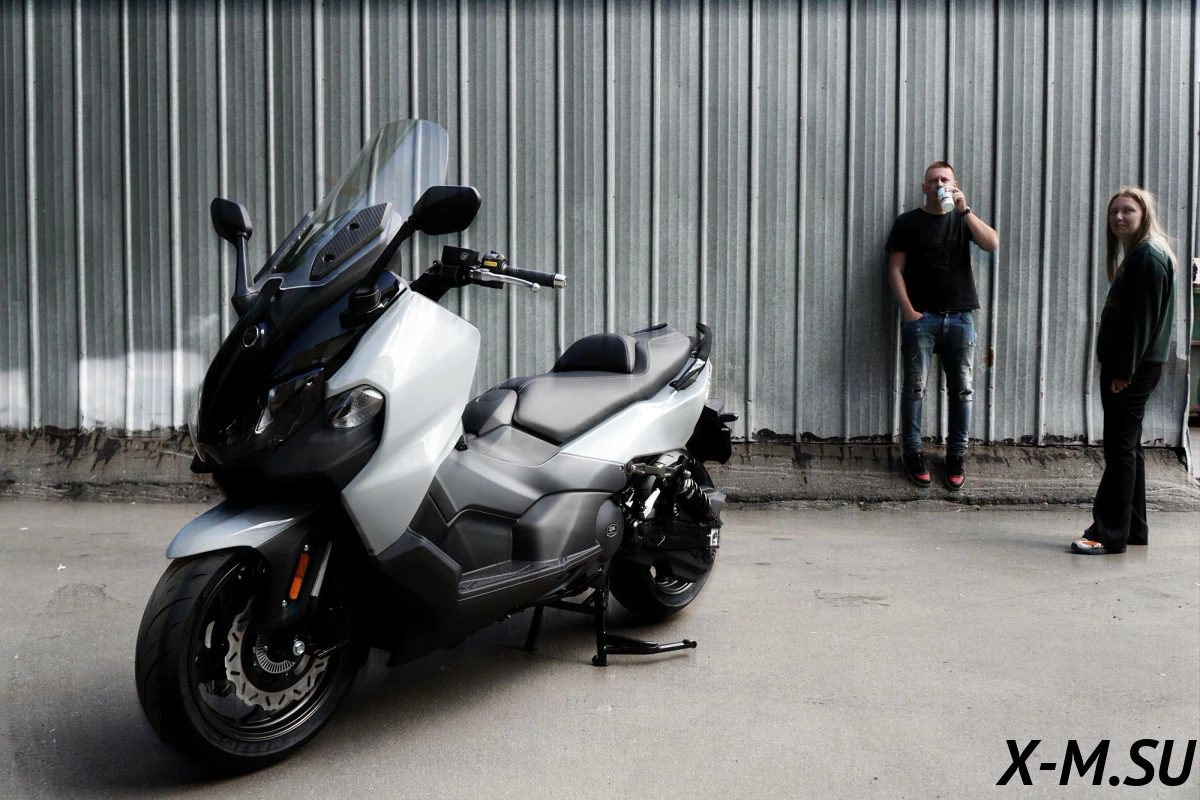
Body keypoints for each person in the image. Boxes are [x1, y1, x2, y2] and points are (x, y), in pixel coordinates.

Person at [1072, 188, 1177, 555]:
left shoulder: (1148, 256)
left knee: (1119, 450)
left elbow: (1140, 323)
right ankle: (1133, 528)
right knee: (1128, 447)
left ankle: (1107, 533)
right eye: (1114, 211)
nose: (1118, 217)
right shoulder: (1142, 253)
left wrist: (1124, 371)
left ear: (1144, 214)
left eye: (1128, 211)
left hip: (1131, 369)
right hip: (1132, 367)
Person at [885, 162, 1000, 490]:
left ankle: (956, 455)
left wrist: (965, 211)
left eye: (944, 179)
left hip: (961, 318)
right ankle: (912, 453)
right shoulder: (908, 222)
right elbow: (894, 270)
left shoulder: (963, 218)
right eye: (933, 180)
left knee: (962, 391)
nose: (939, 184)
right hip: (921, 319)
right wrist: (909, 312)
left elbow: (991, 243)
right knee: (914, 388)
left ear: (954, 184)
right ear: (924, 187)